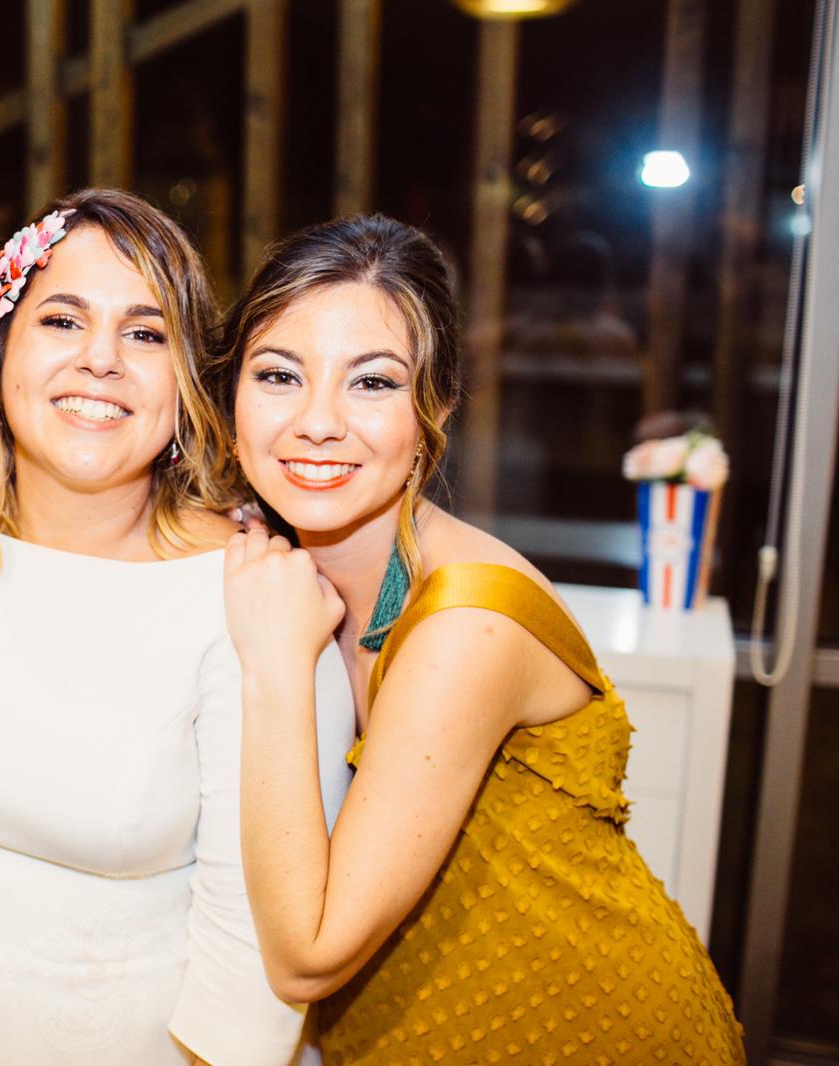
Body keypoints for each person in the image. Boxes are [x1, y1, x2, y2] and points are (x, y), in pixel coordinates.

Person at [219, 214, 745, 1063]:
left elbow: (307, 956)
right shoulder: (279, 549)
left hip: (586, 1030)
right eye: (279, 374)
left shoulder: (467, 621)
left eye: (374, 384)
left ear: (438, 407)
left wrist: (274, 664)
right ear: (230, 395)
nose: (317, 422)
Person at [0, 189, 356, 1066]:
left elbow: (255, 962)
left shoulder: (251, 600)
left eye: (145, 334)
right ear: (1, 349)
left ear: (188, 380)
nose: (100, 362)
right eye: (62, 320)